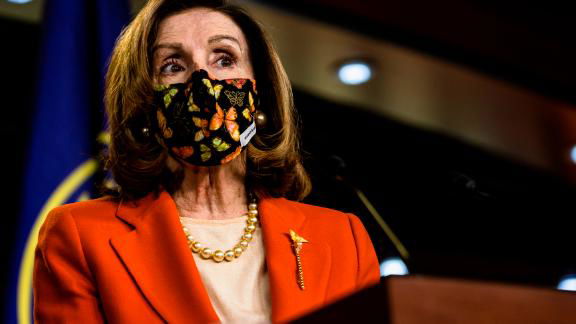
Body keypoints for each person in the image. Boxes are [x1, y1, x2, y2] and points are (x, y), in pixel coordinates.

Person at [32, 0, 380, 322]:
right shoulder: (81, 235)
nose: (203, 80)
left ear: (261, 92)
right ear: (143, 104)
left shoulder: (341, 238)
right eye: (172, 65)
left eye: (224, 59)